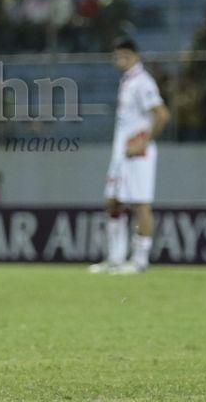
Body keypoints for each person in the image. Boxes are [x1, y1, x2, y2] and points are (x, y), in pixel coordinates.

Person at [89, 36, 170, 275]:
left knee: (140, 204)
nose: (120, 61)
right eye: (117, 57)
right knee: (113, 202)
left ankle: (139, 261)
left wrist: (143, 142)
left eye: (125, 56)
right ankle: (115, 258)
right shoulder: (127, 81)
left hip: (138, 153)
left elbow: (162, 115)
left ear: (135, 56)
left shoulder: (143, 82)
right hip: (121, 154)